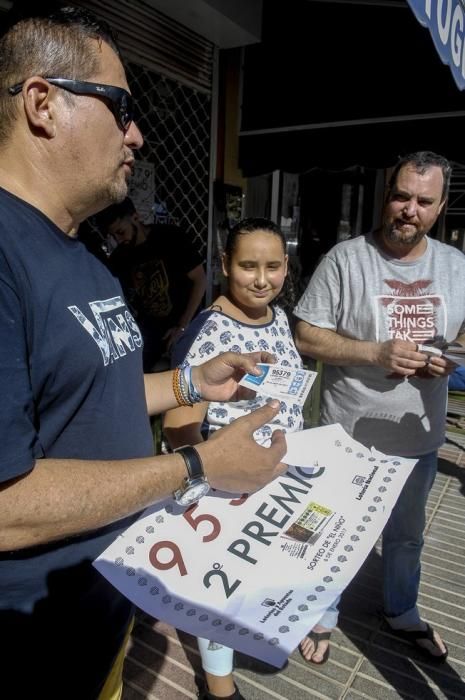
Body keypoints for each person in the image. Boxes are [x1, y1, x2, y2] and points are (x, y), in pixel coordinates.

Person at [0, 6, 287, 698]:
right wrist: (195, 464)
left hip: (102, 611)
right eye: (121, 107)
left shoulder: (84, 251)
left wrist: (190, 384)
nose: (137, 134)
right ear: (42, 103)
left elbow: (88, 395)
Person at [294, 151, 465, 664]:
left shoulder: (456, 266)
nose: (409, 209)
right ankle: (322, 612)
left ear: (440, 208)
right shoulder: (346, 259)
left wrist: (452, 357)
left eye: (423, 201)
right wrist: (375, 351)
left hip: (419, 439)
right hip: (348, 435)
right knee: (330, 525)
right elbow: (306, 334)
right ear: (385, 195)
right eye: (401, 196)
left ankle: (401, 611)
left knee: (407, 537)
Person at [164, 217, 333, 699]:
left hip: (284, 478)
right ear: (224, 265)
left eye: (274, 266)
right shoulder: (208, 332)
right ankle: (219, 685)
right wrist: (206, 484)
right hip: (228, 487)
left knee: (277, 567)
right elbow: (180, 425)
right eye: (248, 266)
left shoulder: (279, 317)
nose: (262, 279)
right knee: (220, 586)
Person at [96, 196, 207, 370]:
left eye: (121, 232)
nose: (118, 240)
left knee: (185, 378)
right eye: (112, 236)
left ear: (135, 217)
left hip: (186, 322)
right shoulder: (120, 256)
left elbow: (200, 280)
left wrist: (182, 326)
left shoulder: (170, 237)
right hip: (151, 329)